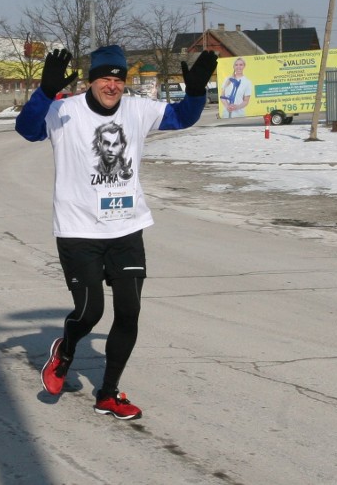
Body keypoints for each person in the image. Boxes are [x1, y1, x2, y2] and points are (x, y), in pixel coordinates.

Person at [15, 45, 217, 420]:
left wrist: (196, 92)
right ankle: (65, 351)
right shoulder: (64, 111)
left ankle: (108, 393)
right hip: (79, 230)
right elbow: (27, 130)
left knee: (129, 312)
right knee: (90, 311)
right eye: (105, 78)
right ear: (91, 80)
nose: (112, 85)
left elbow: (182, 118)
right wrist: (45, 92)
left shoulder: (138, 109)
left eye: (118, 78)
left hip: (127, 228)